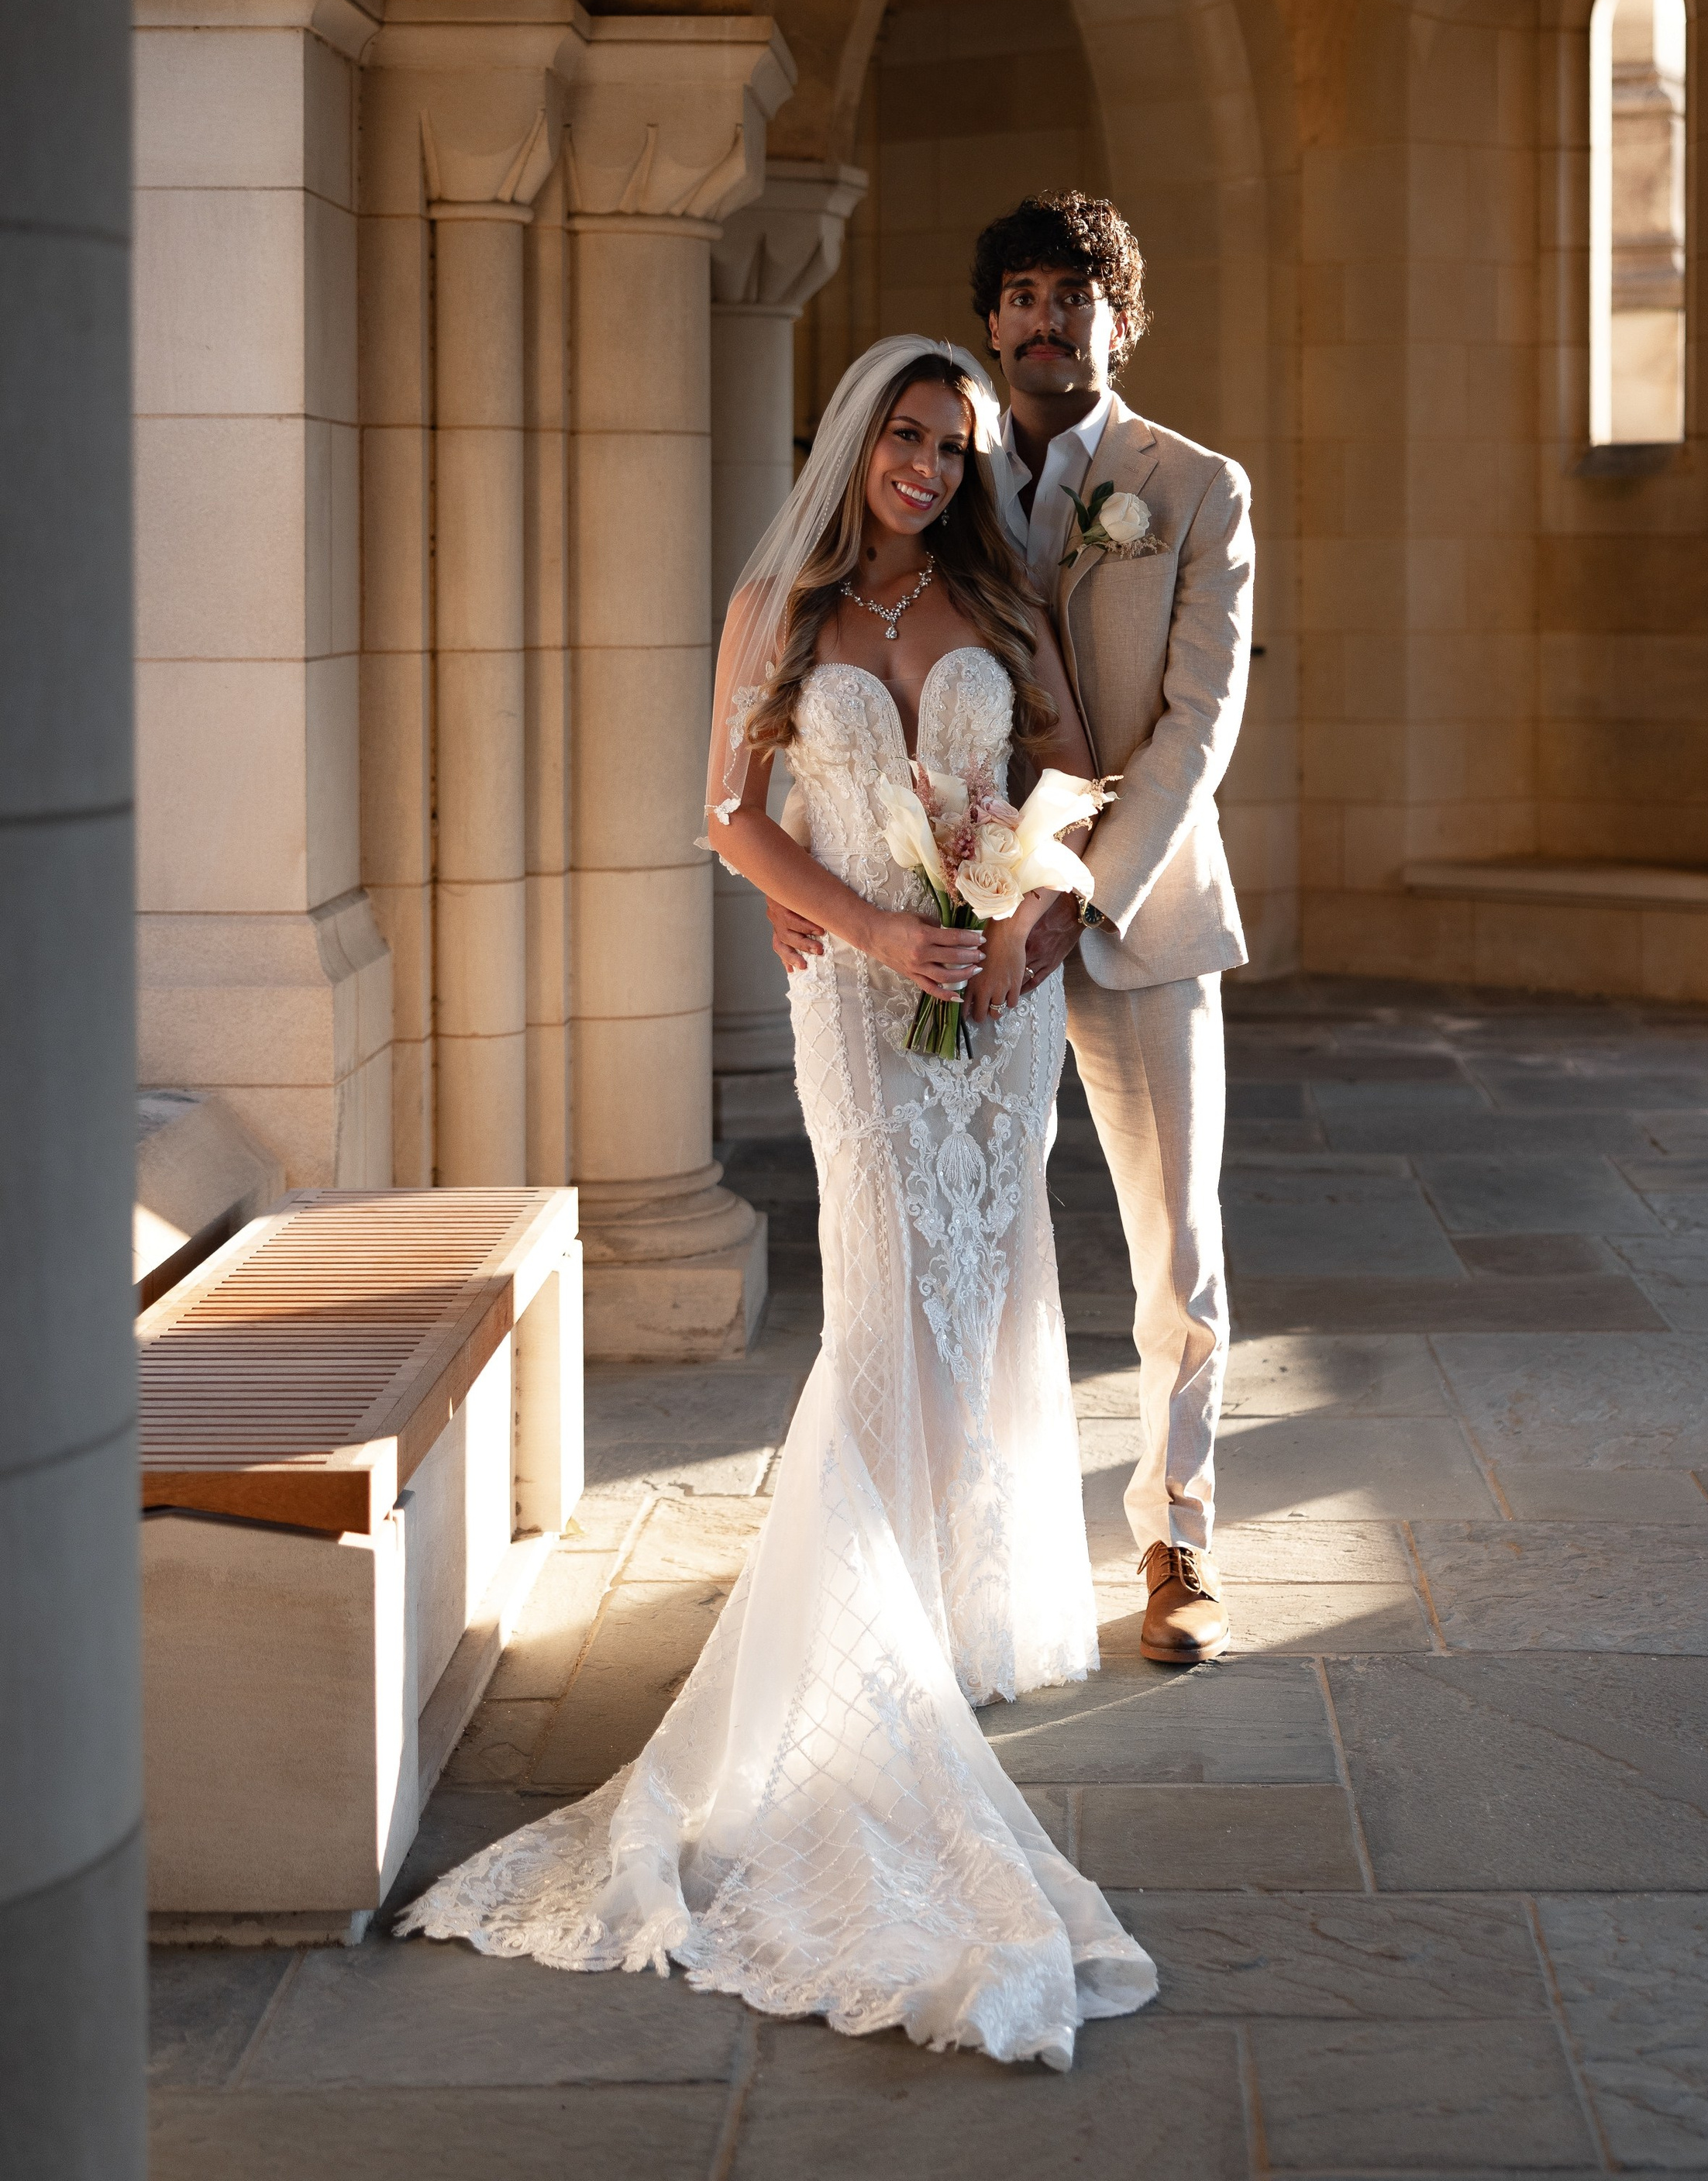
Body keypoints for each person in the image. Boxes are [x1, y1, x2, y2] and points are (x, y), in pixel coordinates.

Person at [398, 334, 1156, 2069]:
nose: (926, 469)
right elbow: (731, 814)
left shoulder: (1001, 597)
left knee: (979, 1293)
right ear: (851, 440)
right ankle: (856, 1660)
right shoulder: (782, 611)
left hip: (996, 1012)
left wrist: (1031, 910)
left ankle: (948, 1611)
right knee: (891, 1300)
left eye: (950, 448)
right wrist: (878, 923)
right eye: (904, 436)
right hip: (864, 1007)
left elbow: (1068, 777)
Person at [773, 195, 1252, 1664]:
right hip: (953, 943)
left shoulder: (1194, 486)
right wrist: (811, 865)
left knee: (1176, 1245)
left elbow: (1195, 724)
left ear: (1123, 317)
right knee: (967, 1252)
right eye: (1025, 295)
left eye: (1078, 296)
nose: (1050, 319)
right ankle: (950, 1548)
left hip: (1134, 917)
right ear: (993, 321)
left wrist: (1076, 893)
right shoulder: (950, 468)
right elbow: (859, 667)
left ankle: (1179, 1539)